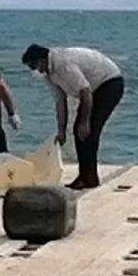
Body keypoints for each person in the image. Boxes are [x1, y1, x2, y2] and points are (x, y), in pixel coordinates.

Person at [21, 44, 124, 189]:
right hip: (92, 90)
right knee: (79, 131)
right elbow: (60, 101)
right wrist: (61, 130)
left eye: (33, 66)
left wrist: (85, 122)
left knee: (89, 131)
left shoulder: (63, 64)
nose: (35, 70)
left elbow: (86, 91)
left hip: (109, 83)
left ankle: (88, 177)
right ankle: (87, 176)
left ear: (42, 60)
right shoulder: (49, 75)